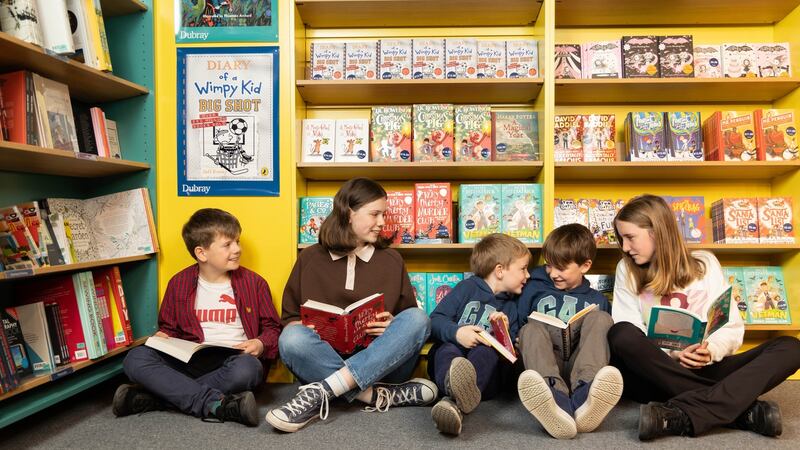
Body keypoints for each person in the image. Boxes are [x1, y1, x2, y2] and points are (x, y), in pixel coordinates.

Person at [608, 194, 800, 441]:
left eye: (630, 237)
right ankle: (742, 411)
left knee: (791, 348)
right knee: (620, 333)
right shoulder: (627, 269)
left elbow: (730, 325)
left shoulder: (706, 263)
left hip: (708, 367)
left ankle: (680, 416)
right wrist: (672, 354)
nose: (624, 247)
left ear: (657, 232)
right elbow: (630, 329)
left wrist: (710, 351)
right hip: (658, 373)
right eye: (621, 239)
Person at [266, 177, 436, 432]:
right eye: (375, 214)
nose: (381, 222)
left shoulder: (391, 259)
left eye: (384, 214)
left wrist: (390, 325)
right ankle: (374, 395)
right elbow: (289, 318)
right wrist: (303, 326)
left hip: (383, 365)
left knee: (419, 319)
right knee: (291, 338)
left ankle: (323, 392)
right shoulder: (310, 257)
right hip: (321, 362)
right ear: (348, 213)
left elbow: (407, 321)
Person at [113, 208, 282, 427]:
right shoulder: (179, 283)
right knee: (135, 358)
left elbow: (272, 329)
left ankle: (158, 398)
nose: (237, 249)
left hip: (232, 360)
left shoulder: (255, 283)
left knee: (249, 370)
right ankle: (215, 404)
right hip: (189, 359)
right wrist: (164, 336)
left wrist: (260, 343)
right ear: (201, 253)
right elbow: (169, 327)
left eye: (237, 242)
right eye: (227, 244)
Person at [516, 224, 622, 439]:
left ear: (585, 266)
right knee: (530, 329)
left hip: (581, 363)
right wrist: (520, 339)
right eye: (549, 266)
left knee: (602, 319)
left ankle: (585, 394)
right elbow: (519, 322)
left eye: (561, 268)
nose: (553, 273)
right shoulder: (535, 289)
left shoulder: (597, 300)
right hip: (545, 362)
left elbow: (600, 343)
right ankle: (554, 399)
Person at [427, 233, 531, 436]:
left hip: (486, 380)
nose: (527, 275)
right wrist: (457, 333)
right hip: (449, 362)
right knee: (447, 348)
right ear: (500, 270)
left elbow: (510, 357)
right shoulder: (467, 288)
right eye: (523, 269)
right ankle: (454, 391)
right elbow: (435, 320)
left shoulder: (511, 307)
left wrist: (503, 334)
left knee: (486, 350)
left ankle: (452, 400)